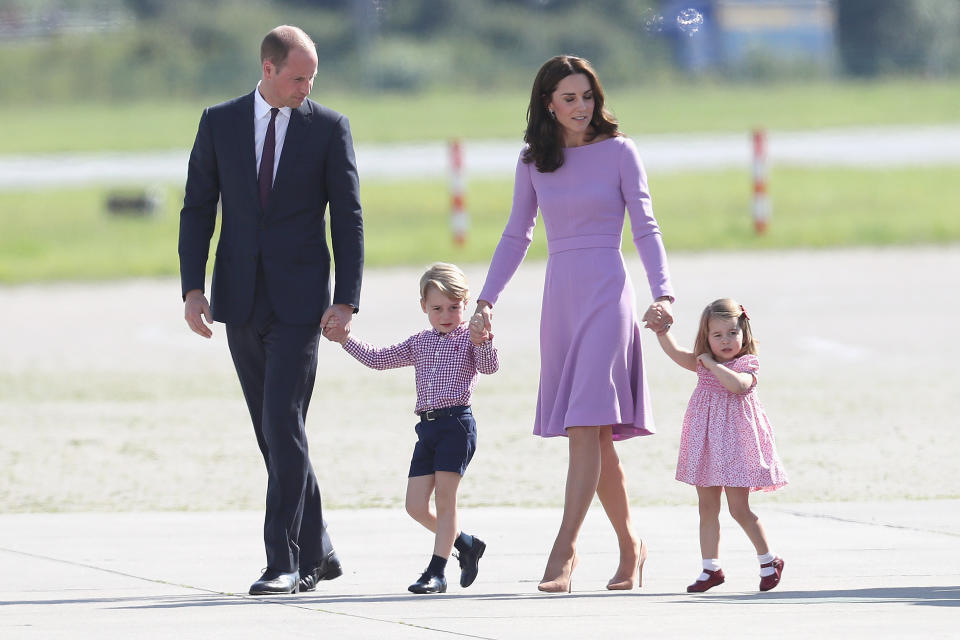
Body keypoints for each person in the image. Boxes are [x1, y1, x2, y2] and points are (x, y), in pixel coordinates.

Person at [472, 55, 675, 593]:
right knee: (594, 432)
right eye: (569, 98)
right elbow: (516, 234)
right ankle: (632, 546)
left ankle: (564, 549)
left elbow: (647, 229)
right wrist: (486, 300)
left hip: (609, 292)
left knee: (586, 424)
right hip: (560, 298)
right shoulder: (534, 160)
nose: (581, 107)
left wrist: (664, 293)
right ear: (548, 104)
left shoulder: (620, 153)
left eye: (587, 96)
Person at [178, 25, 363, 595]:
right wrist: (192, 289)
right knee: (272, 431)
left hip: (301, 304)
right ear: (268, 68)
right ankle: (321, 546)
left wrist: (346, 300)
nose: (306, 87)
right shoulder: (219, 122)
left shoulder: (329, 128)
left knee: (283, 421)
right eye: (297, 77)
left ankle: (285, 561)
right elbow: (197, 209)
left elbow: (348, 217)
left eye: (312, 78)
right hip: (238, 297)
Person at [325, 263, 498, 594]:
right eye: (437, 308)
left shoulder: (469, 339)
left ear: (466, 305)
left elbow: (489, 367)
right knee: (416, 506)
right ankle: (466, 544)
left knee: (446, 501)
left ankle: (437, 572)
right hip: (428, 428)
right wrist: (346, 340)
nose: (446, 314)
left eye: (454, 307)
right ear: (423, 306)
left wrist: (484, 340)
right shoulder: (420, 342)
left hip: (457, 425)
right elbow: (379, 359)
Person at [652, 298, 788, 592]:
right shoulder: (702, 361)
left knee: (739, 508)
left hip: (737, 445)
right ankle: (710, 568)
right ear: (707, 337)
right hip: (707, 444)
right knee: (707, 507)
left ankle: (769, 560)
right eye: (717, 335)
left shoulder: (746, 364)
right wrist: (661, 330)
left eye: (732, 333)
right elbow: (676, 353)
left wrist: (711, 364)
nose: (726, 340)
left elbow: (738, 385)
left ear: (744, 333)